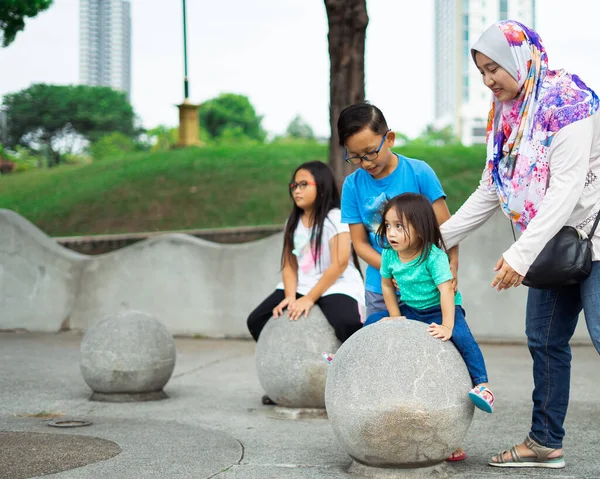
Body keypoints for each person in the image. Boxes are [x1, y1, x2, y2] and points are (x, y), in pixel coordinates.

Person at [440, 20, 600, 469]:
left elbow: (567, 188)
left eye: (495, 69)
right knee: (544, 338)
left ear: (520, 59)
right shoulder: (506, 114)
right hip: (553, 243)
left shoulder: (566, 100)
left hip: (593, 232)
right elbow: (492, 187)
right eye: (482, 72)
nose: (489, 80)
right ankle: (545, 442)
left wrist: (519, 253)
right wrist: (438, 236)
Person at [247, 160, 365, 405]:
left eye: (303, 184)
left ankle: (356, 380)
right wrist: (291, 296)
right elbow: (290, 264)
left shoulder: (336, 218)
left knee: (347, 323)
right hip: (301, 284)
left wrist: (309, 298)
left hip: (336, 283)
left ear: (320, 187)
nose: (296, 190)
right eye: (294, 185)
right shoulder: (294, 221)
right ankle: (283, 380)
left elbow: (340, 263)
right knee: (256, 319)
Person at [338, 103, 458, 327]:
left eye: (371, 152)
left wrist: (453, 264)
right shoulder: (352, 186)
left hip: (428, 286)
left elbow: (446, 228)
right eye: (355, 157)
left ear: (389, 138)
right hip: (381, 288)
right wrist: (392, 271)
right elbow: (360, 243)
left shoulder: (419, 172)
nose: (365, 163)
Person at [378, 193, 495, 414]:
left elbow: (446, 291)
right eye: (388, 225)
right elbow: (386, 286)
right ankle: (348, 356)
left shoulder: (434, 257)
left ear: (420, 229)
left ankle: (483, 386)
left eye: (399, 226)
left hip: (440, 308)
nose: (391, 233)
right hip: (411, 308)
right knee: (375, 320)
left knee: (463, 338)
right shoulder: (389, 255)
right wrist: (395, 315)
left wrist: (448, 326)